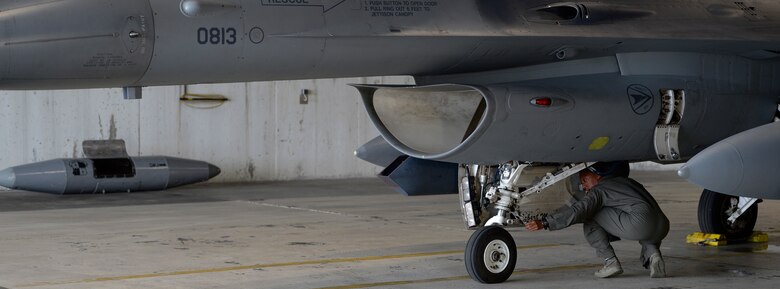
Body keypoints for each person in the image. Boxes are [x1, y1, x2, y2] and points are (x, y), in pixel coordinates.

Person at [525, 162, 669, 278]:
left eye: (585, 180)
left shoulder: (599, 190)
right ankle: (653, 254)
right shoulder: (627, 182)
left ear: (598, 175)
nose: (584, 186)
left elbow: (578, 211)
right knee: (644, 220)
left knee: (589, 214)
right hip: (662, 226)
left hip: (639, 225)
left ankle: (610, 262)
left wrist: (546, 222)